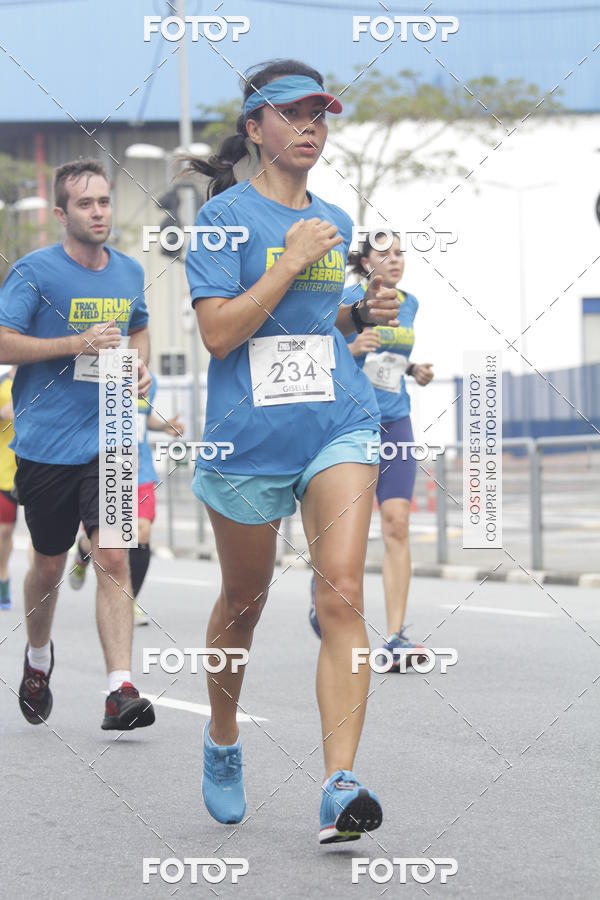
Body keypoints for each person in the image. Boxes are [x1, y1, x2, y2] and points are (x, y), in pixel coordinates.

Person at [184, 59, 403, 843]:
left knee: (341, 591)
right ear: (255, 128)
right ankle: (221, 735)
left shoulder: (335, 217)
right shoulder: (222, 221)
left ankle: (339, 784)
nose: (310, 129)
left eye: (320, 117)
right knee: (244, 604)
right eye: (293, 115)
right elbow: (219, 334)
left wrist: (360, 312)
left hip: (337, 423)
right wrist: (287, 261)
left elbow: (319, 329)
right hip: (246, 441)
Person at [0, 158, 156, 731]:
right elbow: (2, 342)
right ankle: (38, 658)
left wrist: (140, 367)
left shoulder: (129, 272)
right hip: (44, 444)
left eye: (105, 202)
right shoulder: (34, 272)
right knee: (48, 562)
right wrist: (75, 343)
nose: (99, 212)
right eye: (86, 204)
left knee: (114, 554)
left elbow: (138, 327)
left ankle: (120, 689)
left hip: (111, 437)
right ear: (62, 214)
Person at [309, 234, 434, 670]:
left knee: (397, 523)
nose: (396, 260)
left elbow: (394, 355)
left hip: (396, 420)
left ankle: (397, 636)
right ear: (365, 262)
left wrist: (415, 368)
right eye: (386, 254)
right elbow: (316, 353)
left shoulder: (410, 302)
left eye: (401, 253)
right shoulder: (345, 300)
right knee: (349, 530)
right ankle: (322, 592)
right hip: (352, 423)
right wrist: (350, 347)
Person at [69, 371, 183, 626]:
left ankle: (127, 600)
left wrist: (164, 426)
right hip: (108, 467)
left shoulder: (147, 378)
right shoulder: (95, 375)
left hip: (140, 469)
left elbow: (142, 417)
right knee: (104, 539)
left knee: (141, 532)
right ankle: (82, 552)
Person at [0, 365, 17, 609]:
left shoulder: (44, 378)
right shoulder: (3, 381)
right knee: (4, 531)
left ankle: (41, 582)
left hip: (39, 467)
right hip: (5, 470)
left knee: (41, 536)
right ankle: (3, 577)